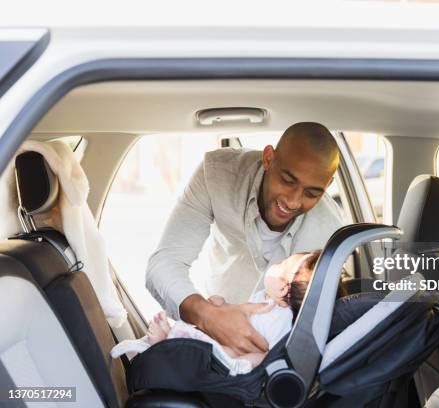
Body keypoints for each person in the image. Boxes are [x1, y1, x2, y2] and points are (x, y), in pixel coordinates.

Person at [145, 122, 345, 357]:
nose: (293, 201)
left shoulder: (329, 231)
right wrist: (210, 316)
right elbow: (164, 264)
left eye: (311, 193)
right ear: (269, 158)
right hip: (212, 323)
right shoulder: (217, 174)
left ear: (328, 185)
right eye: (288, 181)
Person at [117, 251, 347, 375]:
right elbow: (240, 316)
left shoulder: (282, 317)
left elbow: (272, 350)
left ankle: (165, 344)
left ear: (284, 287)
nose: (276, 264)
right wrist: (223, 305)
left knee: (231, 354)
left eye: (283, 263)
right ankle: (168, 342)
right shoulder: (272, 303)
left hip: (242, 356)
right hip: (230, 342)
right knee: (206, 338)